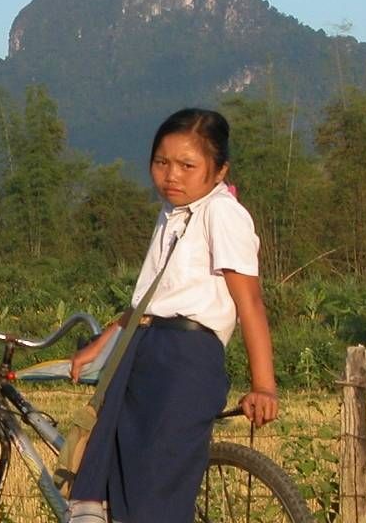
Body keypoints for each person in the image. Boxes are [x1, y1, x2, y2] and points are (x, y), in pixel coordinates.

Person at [65, 108, 278, 523]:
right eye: (161, 162)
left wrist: (264, 386)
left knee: (154, 494)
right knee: (118, 485)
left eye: (187, 165)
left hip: (185, 360)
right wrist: (101, 344)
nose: (171, 176)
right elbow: (147, 302)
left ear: (219, 171)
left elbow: (250, 301)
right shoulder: (172, 213)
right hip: (143, 350)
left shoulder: (222, 213)